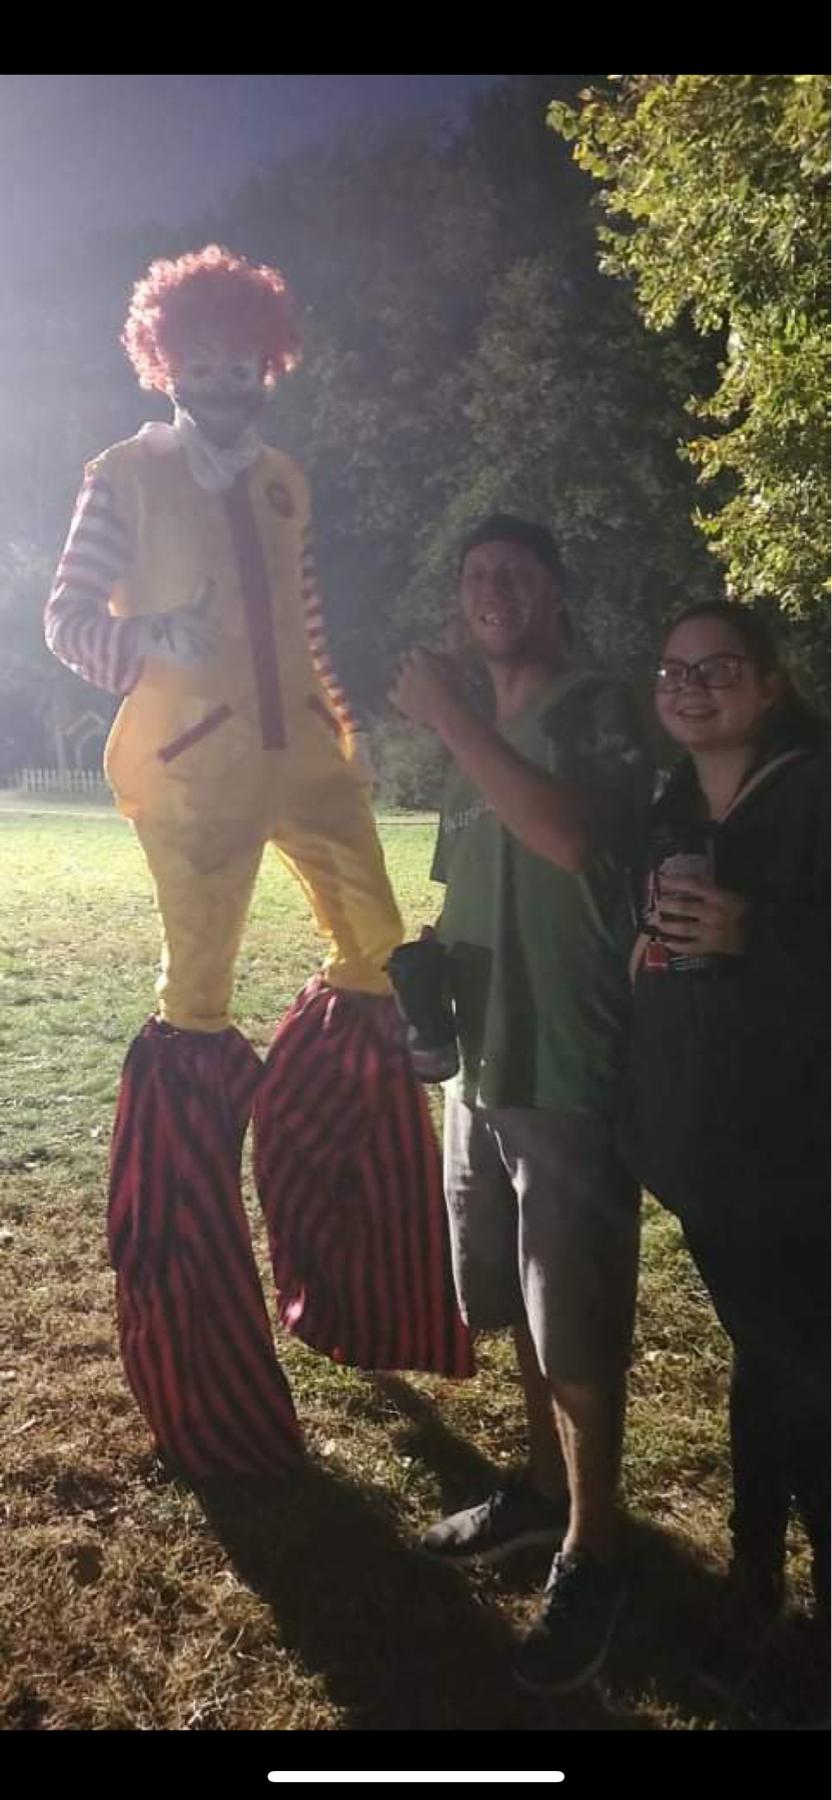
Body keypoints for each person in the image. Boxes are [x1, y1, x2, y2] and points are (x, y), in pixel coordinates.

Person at [45, 245, 471, 1483]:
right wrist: (146, 639)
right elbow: (65, 619)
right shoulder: (122, 474)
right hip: (195, 770)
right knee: (195, 1008)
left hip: (307, 760)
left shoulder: (287, 481)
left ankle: (338, 1228)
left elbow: (306, 619)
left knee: (380, 959)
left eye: (247, 364)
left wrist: (343, 720)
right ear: (167, 361)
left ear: (268, 364)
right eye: (205, 362)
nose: (227, 383)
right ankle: (197, 1321)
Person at [389, 514, 651, 1694]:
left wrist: (452, 719)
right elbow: (474, 883)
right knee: (514, 1299)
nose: (490, 589)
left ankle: (597, 1548)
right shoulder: (475, 740)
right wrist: (424, 971)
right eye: (473, 575)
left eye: (513, 572)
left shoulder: (599, 707)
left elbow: (569, 839)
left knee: (575, 1310)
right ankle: (543, 1489)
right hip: (483, 1066)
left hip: (566, 1062)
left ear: (554, 591)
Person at [621, 600, 829, 1690]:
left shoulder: (815, 793)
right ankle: (754, 1578)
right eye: (672, 670)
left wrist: (759, 931)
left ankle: (792, 1606)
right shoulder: (672, 806)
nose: (690, 686)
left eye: (718, 668)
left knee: (805, 1369)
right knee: (770, 1358)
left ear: (770, 685)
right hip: (704, 1145)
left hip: (799, 1145)